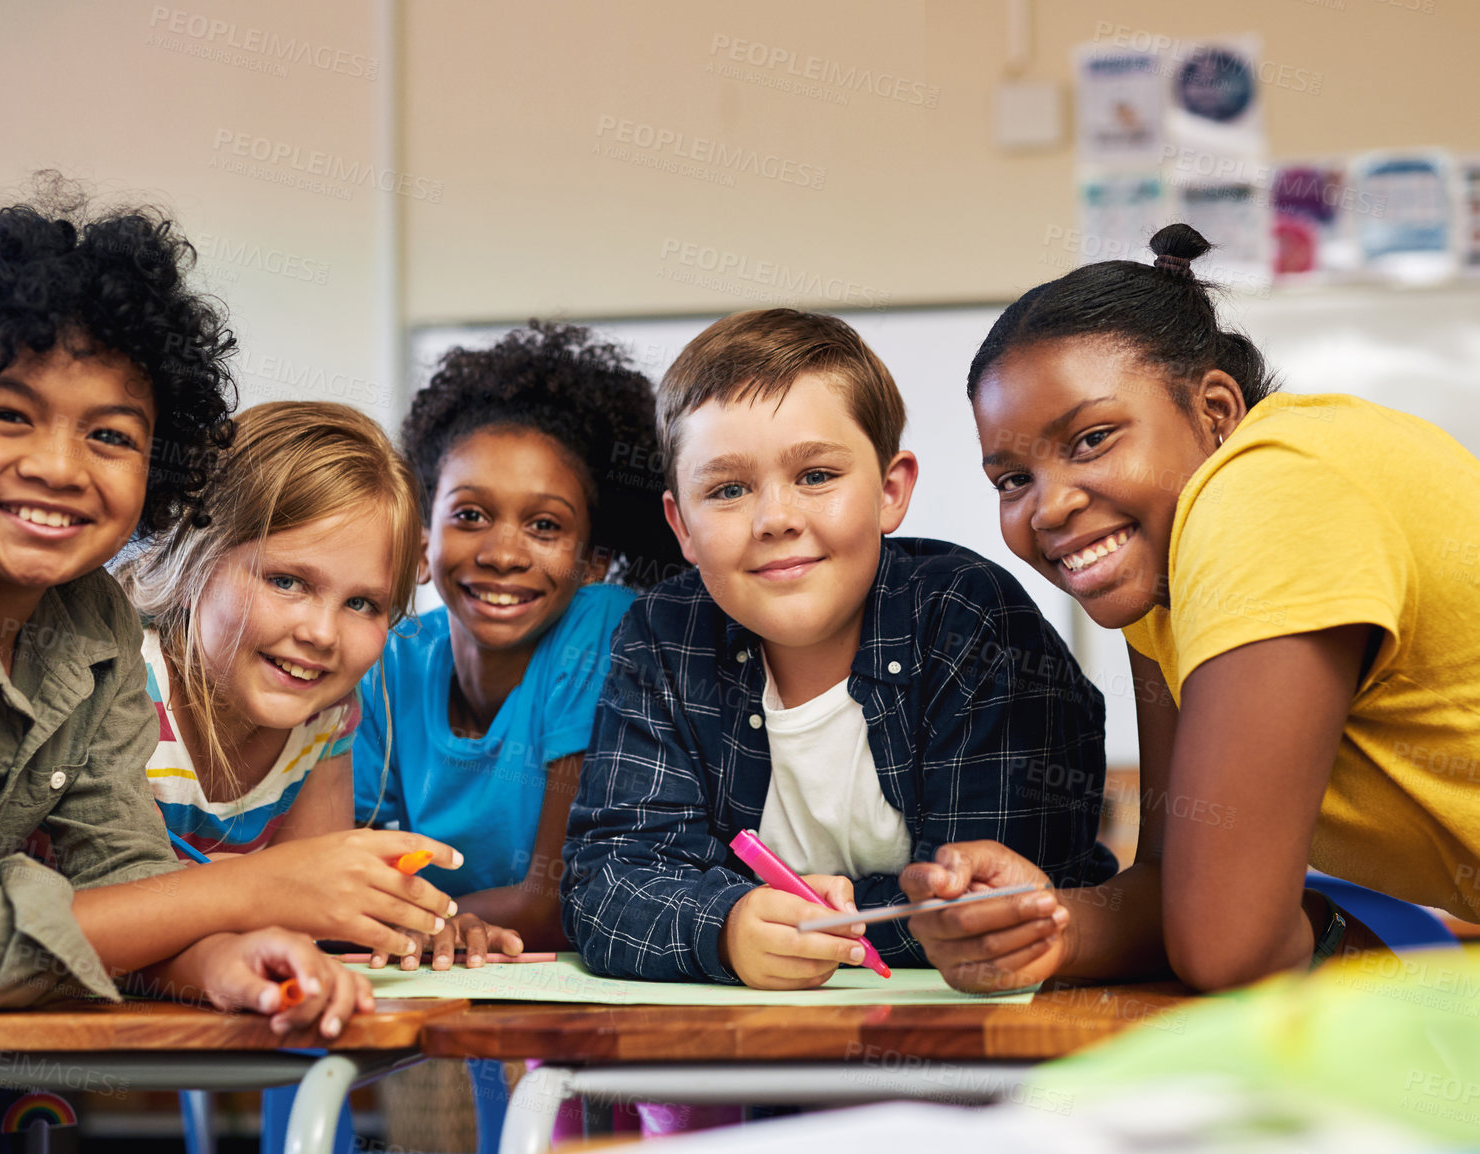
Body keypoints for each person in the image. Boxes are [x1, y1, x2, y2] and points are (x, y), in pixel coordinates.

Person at [0, 191, 450, 1034]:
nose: (58, 465)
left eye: (110, 436)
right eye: (7, 415)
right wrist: (260, 886)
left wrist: (217, 962)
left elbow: (123, 878)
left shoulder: (91, 621)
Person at [906, 223, 1480, 993]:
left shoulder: (1268, 491)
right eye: (1012, 480)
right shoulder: (1165, 583)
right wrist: (1040, 924)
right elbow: (1175, 884)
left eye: (1091, 439)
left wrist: (1343, 947)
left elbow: (1224, 943)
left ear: (1215, 410)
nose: (1048, 508)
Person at [561, 308, 1116, 989]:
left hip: (994, 1042)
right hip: (759, 1046)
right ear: (681, 525)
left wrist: (803, 922)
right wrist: (728, 927)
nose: (776, 519)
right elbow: (606, 881)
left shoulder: (969, 619)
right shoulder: (662, 634)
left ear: (890, 491)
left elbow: (996, 900)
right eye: (728, 490)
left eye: (817, 476)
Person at [354, 321, 683, 968]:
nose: (504, 553)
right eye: (470, 515)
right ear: (424, 542)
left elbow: (552, 901)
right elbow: (345, 880)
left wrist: (413, 923)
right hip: (445, 978)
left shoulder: (601, 631)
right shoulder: (389, 662)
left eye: (544, 525)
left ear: (593, 563)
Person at [122, 400, 465, 948]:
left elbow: (307, 921)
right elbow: (108, 910)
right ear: (197, 557)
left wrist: (415, 923)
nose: (323, 634)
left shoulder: (326, 716)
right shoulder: (126, 687)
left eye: (362, 603)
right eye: (286, 582)